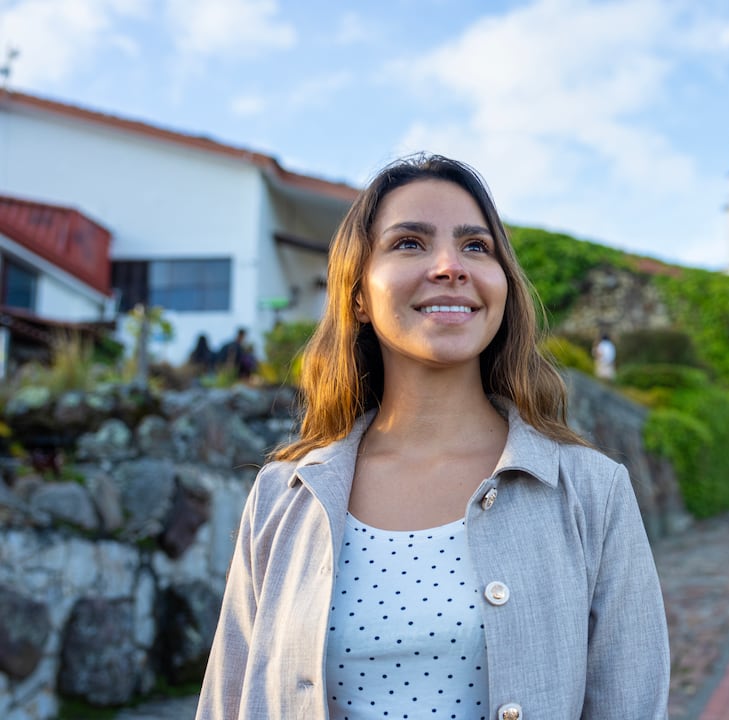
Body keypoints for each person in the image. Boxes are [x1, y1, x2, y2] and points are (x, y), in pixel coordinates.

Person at [196, 154, 670, 720]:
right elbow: (228, 702)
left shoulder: (592, 493)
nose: (450, 266)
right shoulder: (283, 497)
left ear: (503, 288)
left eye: (476, 246)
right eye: (409, 243)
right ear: (357, 295)